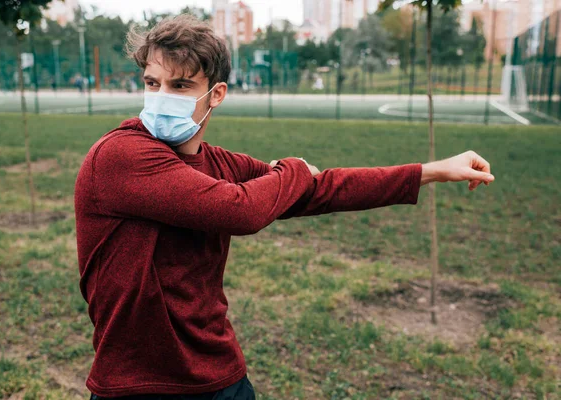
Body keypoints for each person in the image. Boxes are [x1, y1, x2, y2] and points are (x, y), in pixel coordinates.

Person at [74, 14, 495, 400]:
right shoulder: (120, 155)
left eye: (180, 86)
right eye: (152, 83)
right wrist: (293, 170)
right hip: (135, 384)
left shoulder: (218, 163)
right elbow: (239, 211)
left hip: (218, 374)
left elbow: (321, 189)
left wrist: (431, 171)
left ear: (216, 94)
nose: (161, 97)